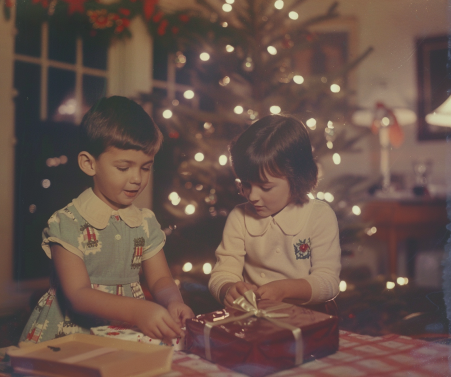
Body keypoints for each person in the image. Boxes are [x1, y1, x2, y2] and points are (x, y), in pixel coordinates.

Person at [20, 96, 194, 344]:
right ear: (89, 164)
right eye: (124, 168)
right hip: (71, 334)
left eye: (145, 167)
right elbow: (78, 295)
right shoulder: (67, 222)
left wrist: (173, 301)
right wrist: (137, 310)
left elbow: (160, 279)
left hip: (126, 329)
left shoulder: (145, 222)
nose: (137, 178)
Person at [209, 114, 341, 307]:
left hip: (309, 321)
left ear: (296, 178)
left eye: (265, 187)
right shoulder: (240, 217)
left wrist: (285, 290)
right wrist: (227, 288)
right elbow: (222, 273)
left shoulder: (319, 216)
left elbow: (329, 282)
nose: (252, 196)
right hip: (255, 321)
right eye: (246, 184)